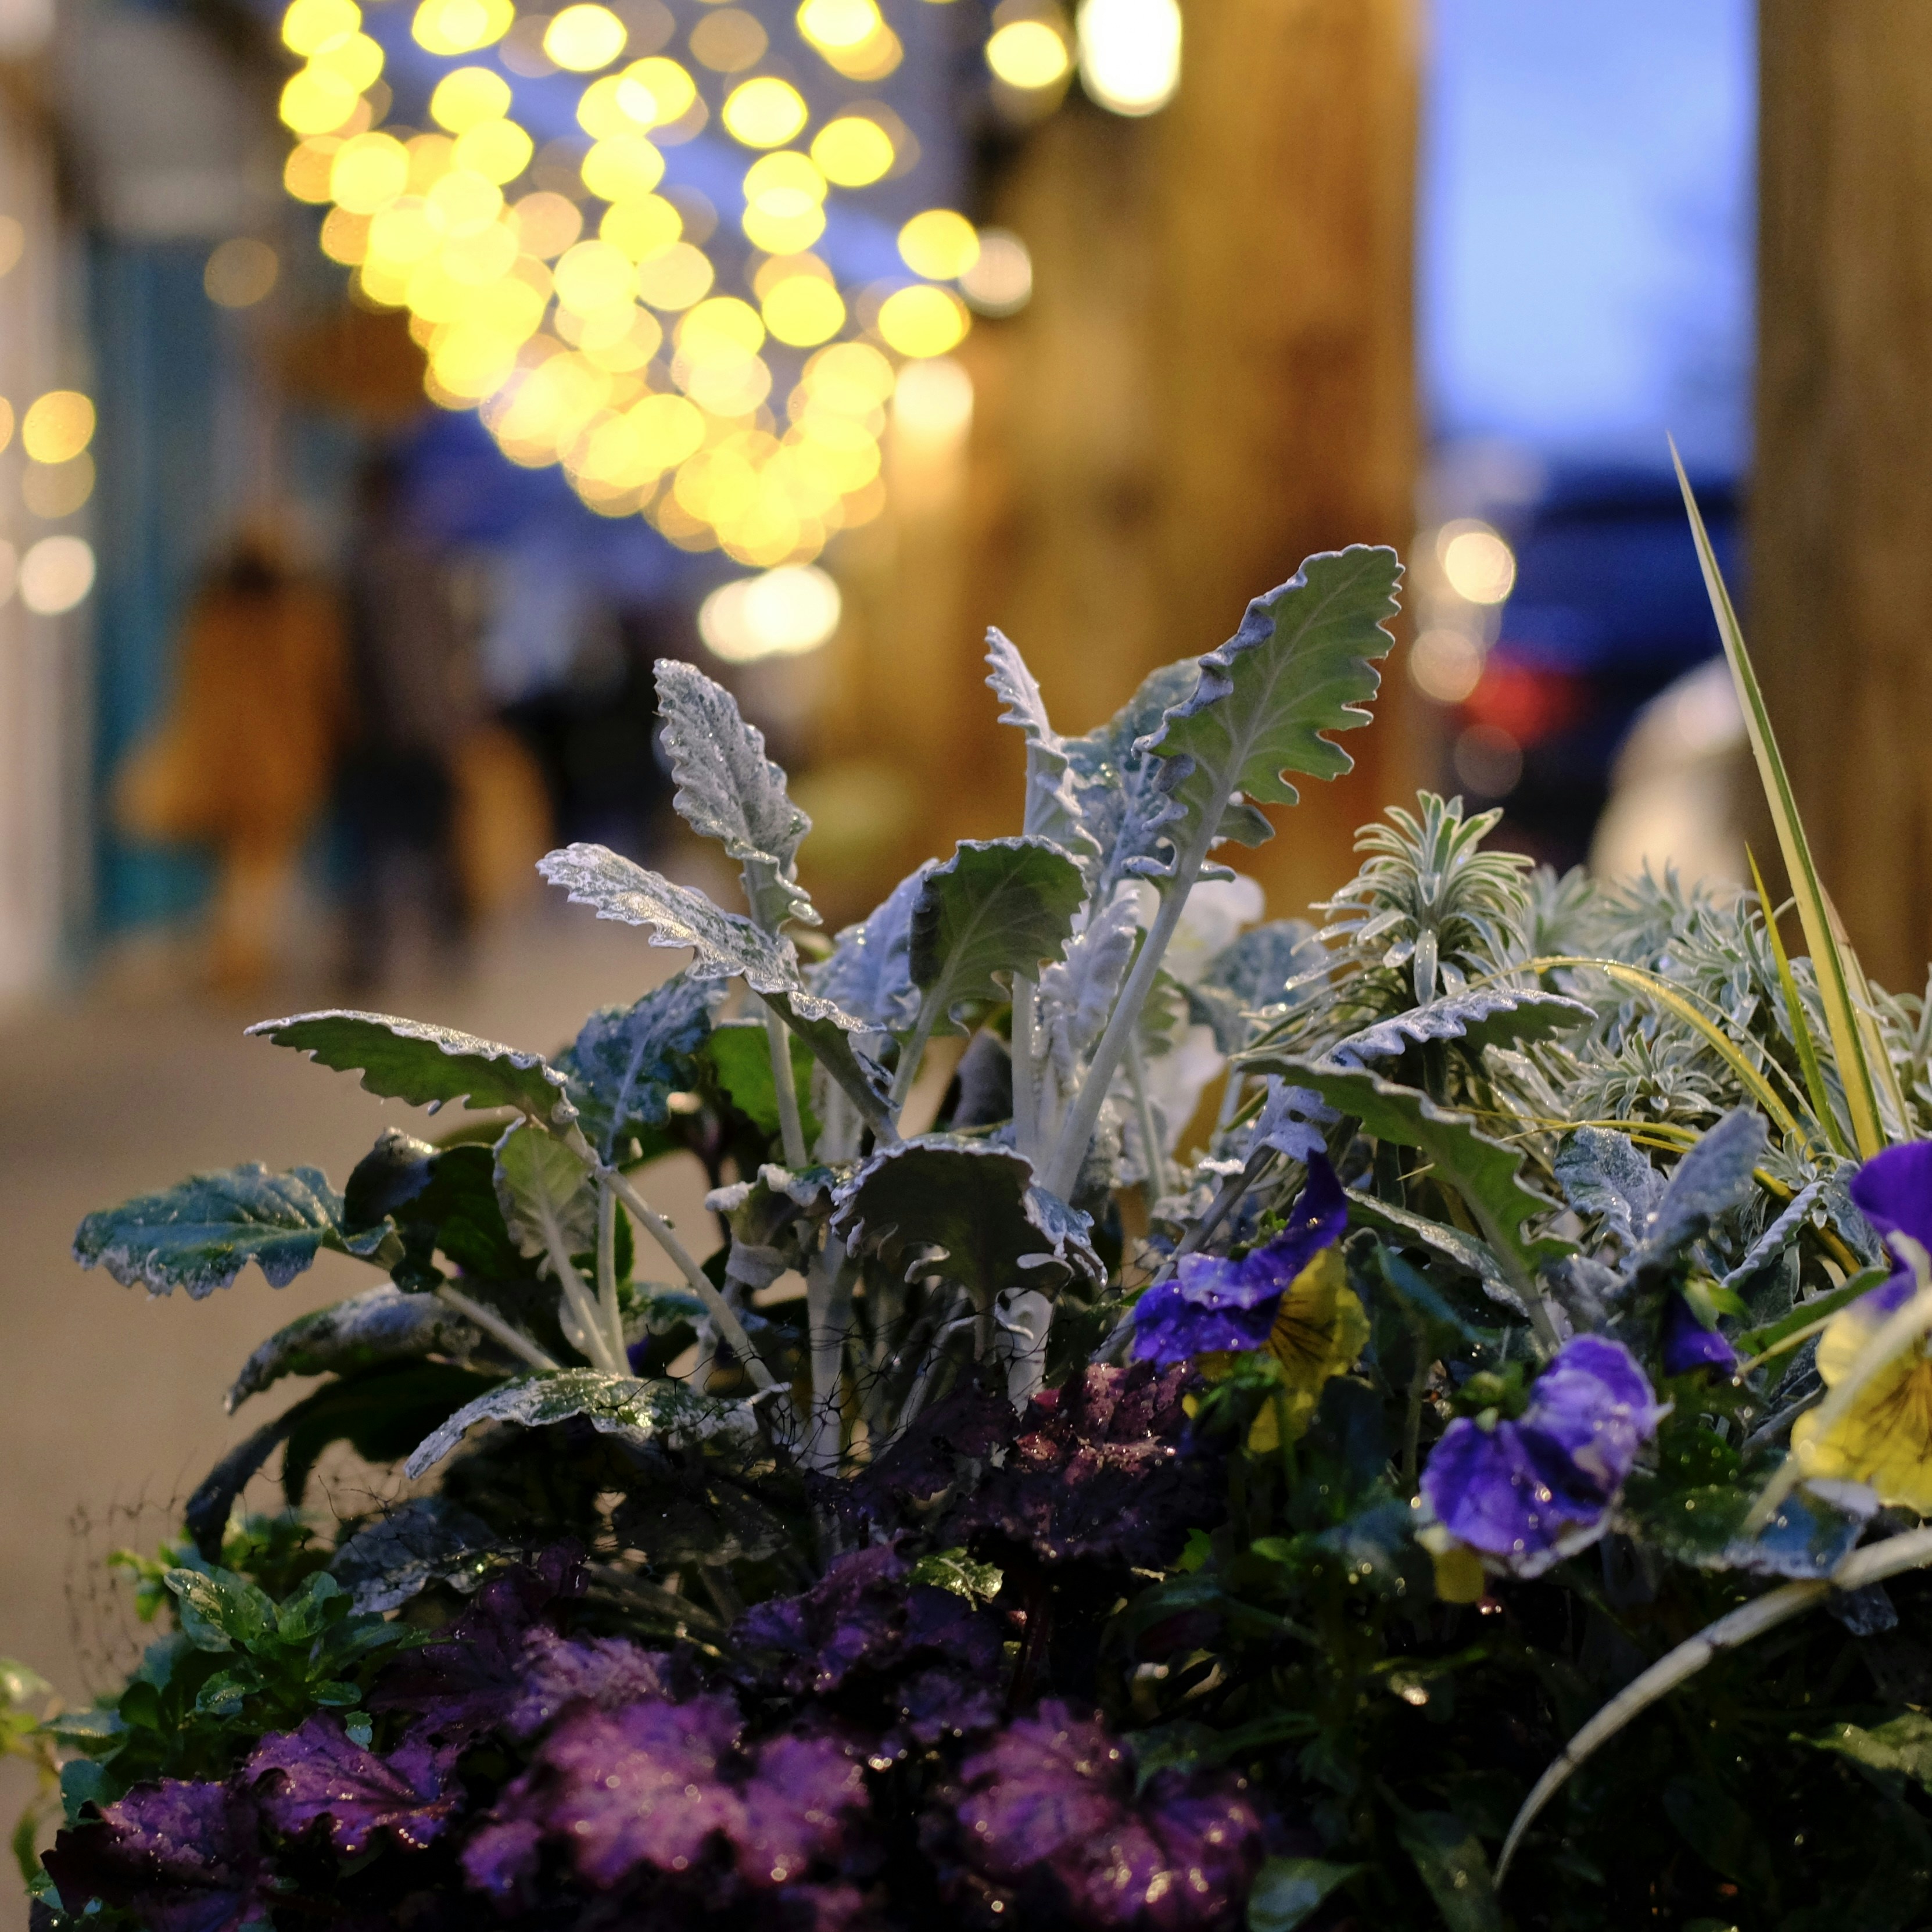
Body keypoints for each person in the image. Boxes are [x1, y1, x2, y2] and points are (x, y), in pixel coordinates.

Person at [113, 529, 347, 992]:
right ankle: (242, 960)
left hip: (219, 758)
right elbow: (321, 690)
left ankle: (232, 958)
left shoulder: (210, 617)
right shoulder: (299, 620)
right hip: (277, 760)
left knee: (230, 870)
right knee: (260, 868)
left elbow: (190, 684)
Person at [336, 451, 479, 988]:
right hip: (427, 729)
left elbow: (366, 656)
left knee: (375, 849)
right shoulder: (429, 560)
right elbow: (452, 647)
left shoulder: (359, 563)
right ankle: (448, 948)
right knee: (432, 845)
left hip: (380, 732)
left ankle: (374, 955)